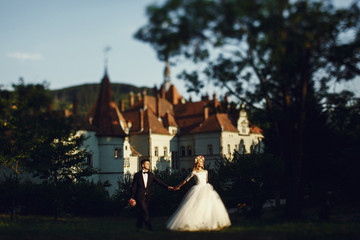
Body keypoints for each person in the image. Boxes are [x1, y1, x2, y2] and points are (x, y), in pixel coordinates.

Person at [167, 155, 231, 231]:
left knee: (208, 206)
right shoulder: (194, 172)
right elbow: (186, 180)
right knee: (197, 206)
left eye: (202, 161)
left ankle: (208, 222)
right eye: (201, 161)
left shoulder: (206, 172)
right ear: (197, 162)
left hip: (207, 188)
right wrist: (178, 186)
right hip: (198, 189)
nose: (202, 163)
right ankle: (196, 222)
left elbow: (206, 181)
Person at [129, 159, 174, 231]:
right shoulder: (137, 175)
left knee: (142, 212)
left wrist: (168, 187)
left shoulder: (151, 175)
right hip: (140, 196)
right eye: (147, 164)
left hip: (148, 196)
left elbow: (159, 182)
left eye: (149, 164)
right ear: (143, 165)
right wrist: (132, 197)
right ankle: (149, 227)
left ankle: (138, 226)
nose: (149, 165)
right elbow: (134, 186)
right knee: (145, 211)